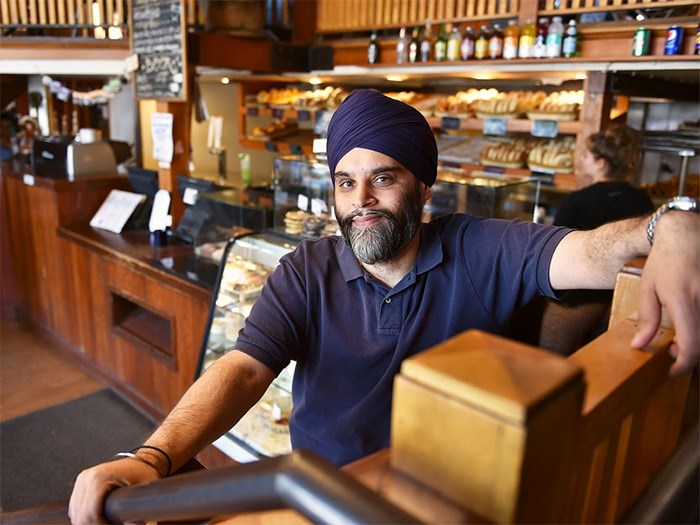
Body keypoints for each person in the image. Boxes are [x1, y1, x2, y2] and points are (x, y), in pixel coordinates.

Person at [69, 89, 699, 524]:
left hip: (443, 498)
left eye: (384, 177)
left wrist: (670, 225)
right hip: (316, 497)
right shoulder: (305, 272)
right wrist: (151, 457)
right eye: (345, 182)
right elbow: (243, 368)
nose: (361, 198)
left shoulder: (483, 246)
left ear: (424, 187)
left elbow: (591, 254)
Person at [537, 124, 655, 354]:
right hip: (620, 298)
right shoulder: (641, 199)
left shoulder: (578, 200)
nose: (580, 158)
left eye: (586, 155)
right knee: (601, 363)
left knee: (550, 361)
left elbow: (553, 246)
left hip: (574, 299)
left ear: (601, 164)